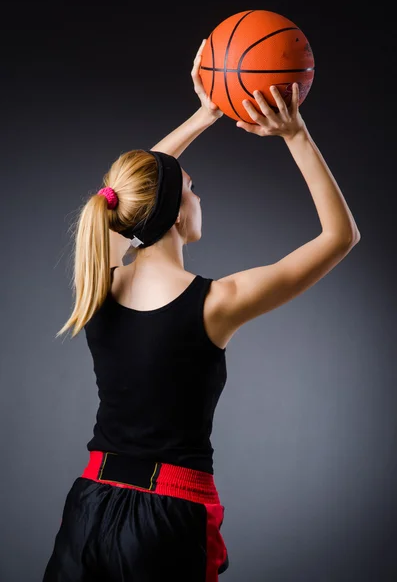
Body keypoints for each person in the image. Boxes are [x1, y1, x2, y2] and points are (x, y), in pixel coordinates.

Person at [42, 38, 360, 582]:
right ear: (172, 214)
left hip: (89, 503)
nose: (198, 195)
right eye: (192, 188)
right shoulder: (218, 303)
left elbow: (128, 194)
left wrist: (206, 112)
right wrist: (295, 133)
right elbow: (340, 236)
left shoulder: (101, 281)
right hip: (166, 517)